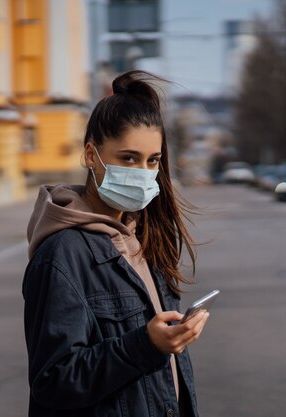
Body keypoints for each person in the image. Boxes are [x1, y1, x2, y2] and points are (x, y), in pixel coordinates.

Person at [23, 70, 209, 417]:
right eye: (128, 158)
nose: (142, 172)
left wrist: (170, 337)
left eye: (152, 161)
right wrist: (146, 345)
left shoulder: (143, 236)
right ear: (91, 155)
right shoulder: (62, 254)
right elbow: (54, 381)